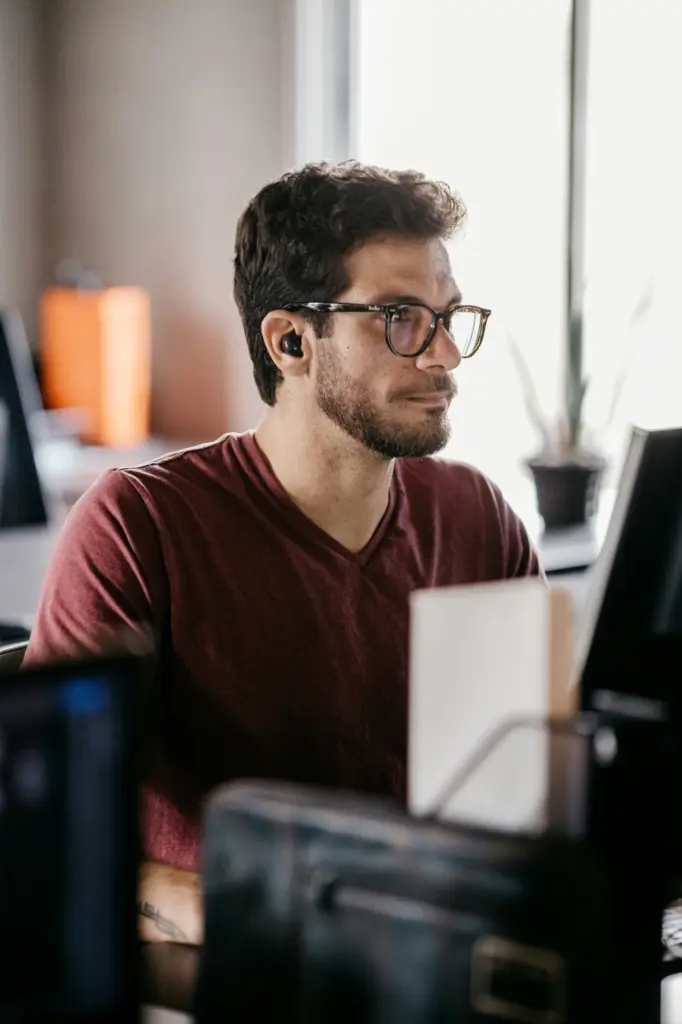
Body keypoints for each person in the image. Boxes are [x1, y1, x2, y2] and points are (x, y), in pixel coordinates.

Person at [24, 162, 540, 950]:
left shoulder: (476, 517)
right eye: (402, 318)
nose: (444, 357)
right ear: (292, 340)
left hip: (430, 961)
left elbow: (536, 784)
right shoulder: (138, 526)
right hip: (231, 974)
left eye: (449, 316)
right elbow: (47, 832)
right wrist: (207, 904)